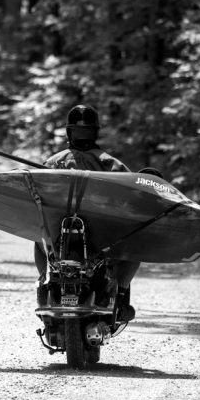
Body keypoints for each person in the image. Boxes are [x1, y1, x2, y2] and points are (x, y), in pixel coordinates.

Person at [34, 104, 139, 322]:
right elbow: (132, 194)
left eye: (85, 132)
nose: (82, 136)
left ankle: (43, 280)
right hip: (101, 234)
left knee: (38, 238)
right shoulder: (110, 163)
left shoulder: (53, 162)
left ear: (67, 132)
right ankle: (119, 296)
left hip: (60, 232)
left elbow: (38, 194)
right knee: (134, 249)